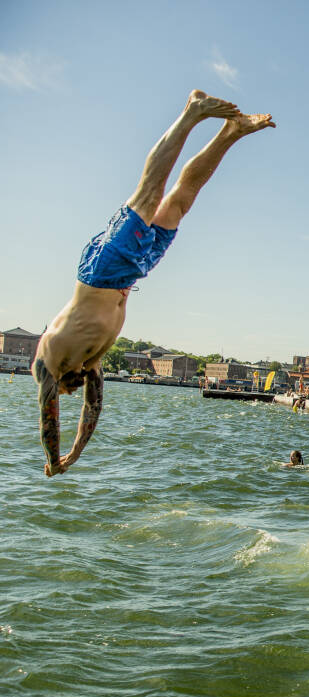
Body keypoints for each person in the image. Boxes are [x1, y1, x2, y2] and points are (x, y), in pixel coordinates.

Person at [34, 90, 274, 476]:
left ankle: (190, 113)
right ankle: (231, 133)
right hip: (132, 271)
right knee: (181, 200)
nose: (71, 393)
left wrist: (52, 458)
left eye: (66, 392)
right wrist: (74, 455)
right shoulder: (89, 362)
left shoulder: (49, 362)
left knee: (151, 190)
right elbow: (93, 409)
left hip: (103, 269)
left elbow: (49, 419)